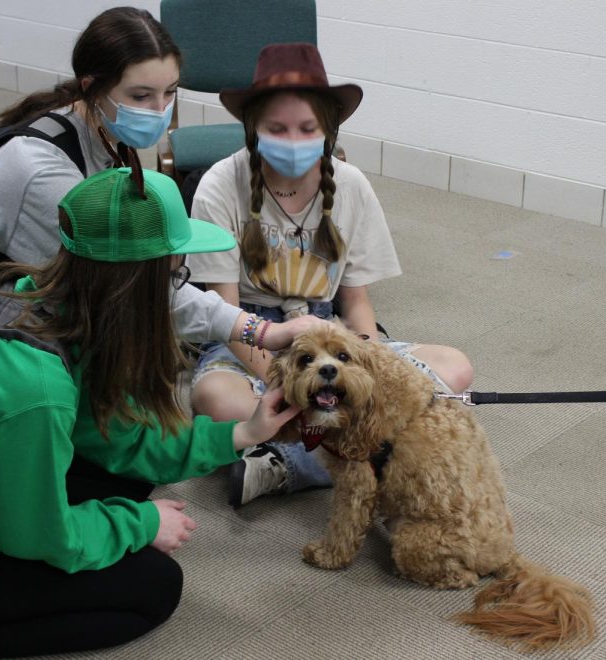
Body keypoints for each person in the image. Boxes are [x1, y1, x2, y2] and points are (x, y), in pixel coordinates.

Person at [0, 167, 303, 659]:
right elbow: (35, 537)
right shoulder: (35, 387)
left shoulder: (43, 303)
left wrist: (245, 432)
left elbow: (122, 442)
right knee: (153, 589)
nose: (177, 288)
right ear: (137, 284)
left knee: (128, 479)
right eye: (174, 273)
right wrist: (139, 525)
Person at [187, 43, 475, 508]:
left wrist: (370, 375)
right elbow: (225, 311)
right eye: (276, 128)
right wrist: (292, 387)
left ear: (328, 130)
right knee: (221, 403)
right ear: (252, 130)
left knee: (454, 369)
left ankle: (284, 466)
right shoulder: (221, 184)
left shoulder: (351, 184)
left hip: (330, 333)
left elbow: (356, 302)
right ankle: (376, 453)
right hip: (251, 338)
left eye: (308, 128)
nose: (294, 140)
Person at [0, 6, 324, 353]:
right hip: (2, 331)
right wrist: (258, 330)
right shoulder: (44, 169)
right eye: (141, 96)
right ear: (92, 86)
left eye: (170, 92)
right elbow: (134, 286)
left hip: (62, 302)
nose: (160, 111)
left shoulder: (107, 135)